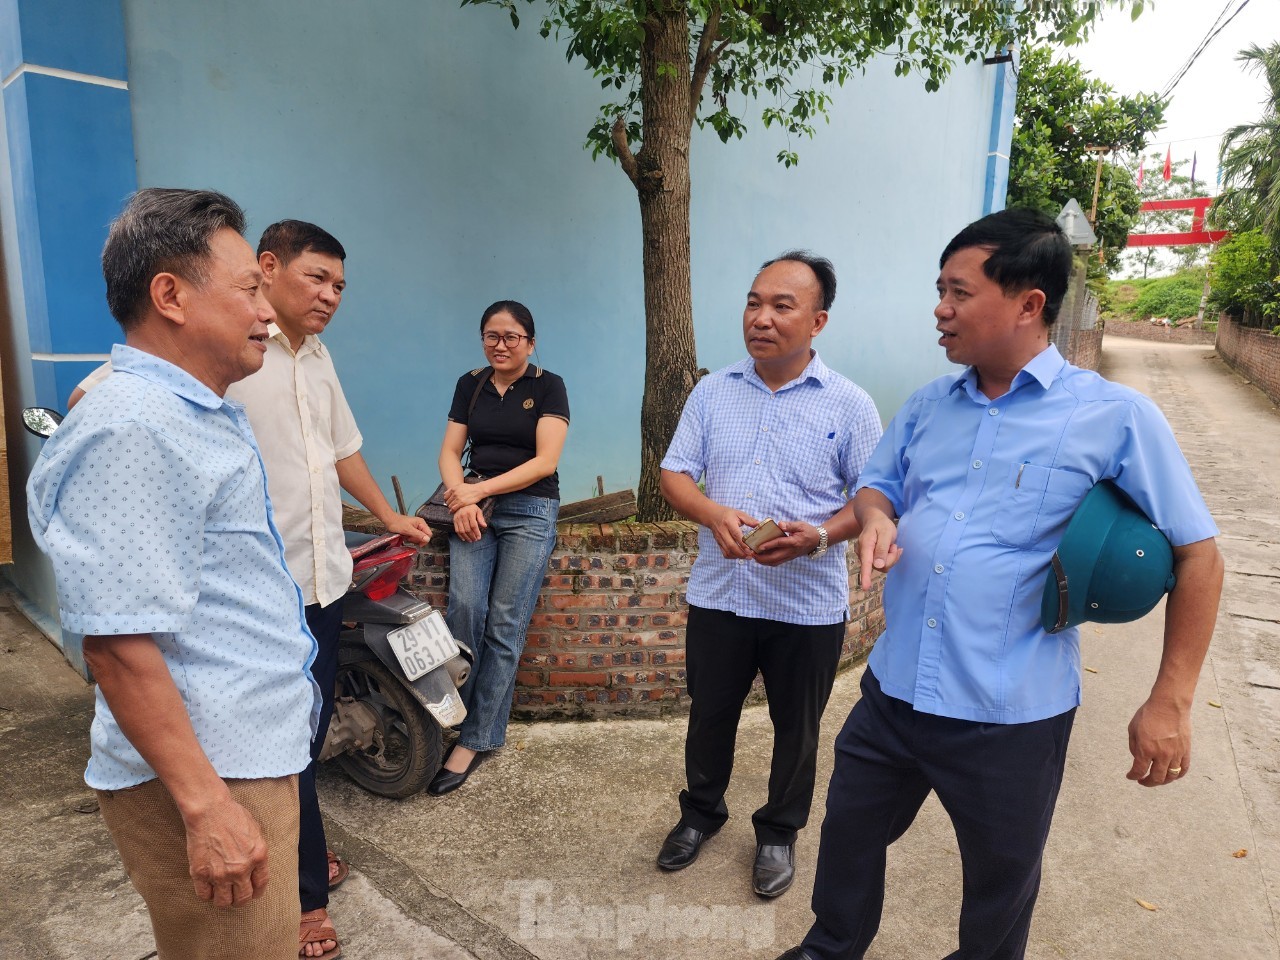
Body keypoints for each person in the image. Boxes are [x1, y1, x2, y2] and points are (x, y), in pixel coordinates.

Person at [775, 209, 1224, 960]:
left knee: (999, 888)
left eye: (958, 291)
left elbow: (1199, 557)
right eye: (939, 290)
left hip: (1009, 713)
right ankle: (831, 947)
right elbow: (877, 489)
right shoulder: (927, 405)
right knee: (848, 840)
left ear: (1028, 304)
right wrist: (878, 517)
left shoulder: (1112, 417)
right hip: (893, 692)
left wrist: (1171, 699)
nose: (939, 309)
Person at [69, 220, 431, 960]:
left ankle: (298, 857)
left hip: (319, 584)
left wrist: (390, 516)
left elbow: (342, 451)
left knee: (297, 741)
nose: (328, 296)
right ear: (267, 270)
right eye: (314, 279)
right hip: (259, 601)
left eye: (339, 285)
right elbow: (99, 397)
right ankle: (303, 901)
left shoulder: (314, 359)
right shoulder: (199, 369)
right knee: (273, 758)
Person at [27, 188, 321, 960]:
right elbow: (117, 645)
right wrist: (206, 807)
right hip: (211, 774)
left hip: (241, 757)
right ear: (171, 296)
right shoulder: (136, 427)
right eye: (251, 289)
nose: (268, 311)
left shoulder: (177, 411)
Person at [656, 251, 883, 898]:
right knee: (710, 717)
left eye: (782, 306)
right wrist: (713, 513)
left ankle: (779, 832)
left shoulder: (850, 404)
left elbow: (873, 500)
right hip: (721, 594)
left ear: (818, 321)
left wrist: (818, 536)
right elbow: (674, 474)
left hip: (806, 605)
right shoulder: (712, 391)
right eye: (754, 302)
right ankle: (700, 813)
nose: (761, 317)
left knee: (797, 730)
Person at [427, 300, 569, 796]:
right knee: (465, 610)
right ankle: (454, 718)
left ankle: (476, 738)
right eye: (492, 335)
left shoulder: (548, 386)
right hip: (475, 511)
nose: (501, 345)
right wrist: (460, 499)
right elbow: (449, 452)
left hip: (529, 510)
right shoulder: (472, 383)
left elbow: (546, 462)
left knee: (506, 623)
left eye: (511, 337)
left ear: (530, 342)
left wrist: (478, 491)